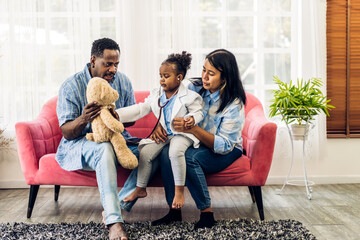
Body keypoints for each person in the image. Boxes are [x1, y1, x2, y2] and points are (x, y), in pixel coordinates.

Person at [118, 49, 246, 230]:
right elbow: (166, 104)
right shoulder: (192, 87)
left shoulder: (233, 104)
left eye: (211, 74)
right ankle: (174, 211)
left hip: (225, 149)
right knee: (165, 154)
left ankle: (207, 213)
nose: (204, 77)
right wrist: (160, 124)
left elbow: (223, 145)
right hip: (195, 140)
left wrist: (192, 127)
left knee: (188, 157)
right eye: (203, 70)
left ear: (224, 78)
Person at [56, 37, 137, 240]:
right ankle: (114, 222)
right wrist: (84, 118)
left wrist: (115, 117)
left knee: (154, 150)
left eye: (116, 64)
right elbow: (67, 131)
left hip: (118, 139)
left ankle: (117, 204)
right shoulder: (71, 86)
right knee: (104, 149)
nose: (113, 69)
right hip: (81, 142)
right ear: (93, 61)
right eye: (107, 64)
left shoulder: (123, 81)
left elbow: (131, 120)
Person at [116, 52, 203, 209]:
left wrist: (191, 119)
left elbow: (198, 112)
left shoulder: (191, 96)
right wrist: (117, 115)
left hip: (182, 134)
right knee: (145, 151)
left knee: (175, 152)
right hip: (166, 134)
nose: (162, 79)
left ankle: (179, 191)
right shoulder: (157, 94)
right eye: (160, 75)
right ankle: (140, 188)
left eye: (166, 76)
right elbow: (141, 108)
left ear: (179, 77)